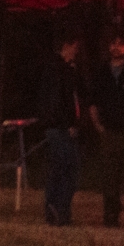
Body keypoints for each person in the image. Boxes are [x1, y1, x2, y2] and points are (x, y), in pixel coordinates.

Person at [90, 33, 124, 228]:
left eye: (120, 44)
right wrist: (98, 126)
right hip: (110, 132)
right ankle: (110, 218)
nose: (116, 47)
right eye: (113, 43)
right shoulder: (101, 72)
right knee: (110, 179)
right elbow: (93, 102)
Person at [37, 36, 86, 226]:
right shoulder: (60, 71)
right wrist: (69, 124)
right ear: (66, 46)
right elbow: (61, 101)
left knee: (59, 169)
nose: (76, 52)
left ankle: (54, 209)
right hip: (60, 128)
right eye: (74, 48)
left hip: (55, 126)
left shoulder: (55, 69)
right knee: (68, 168)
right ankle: (60, 209)